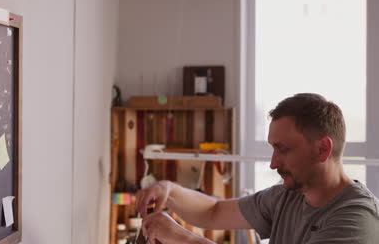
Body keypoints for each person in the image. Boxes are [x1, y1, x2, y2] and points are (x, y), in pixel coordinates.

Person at [136, 93, 379, 244]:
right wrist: (169, 190)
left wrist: (183, 239)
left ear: (322, 149)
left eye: (283, 149)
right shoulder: (288, 195)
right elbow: (214, 210)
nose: (273, 163)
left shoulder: (356, 219)